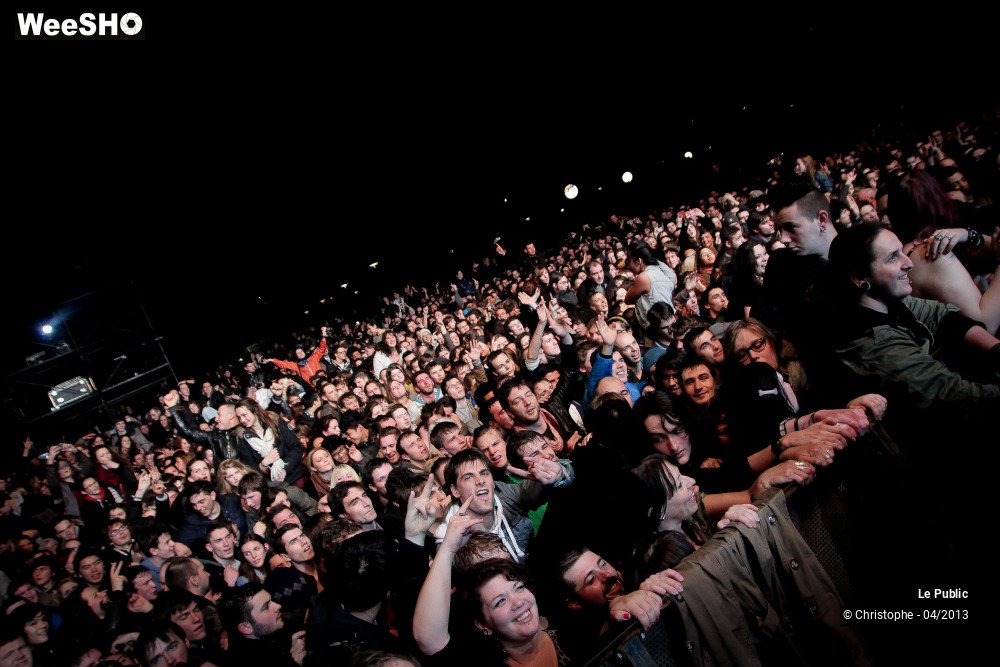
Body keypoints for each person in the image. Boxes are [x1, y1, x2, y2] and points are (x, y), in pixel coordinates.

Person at [414, 512, 570, 665]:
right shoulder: (481, 655)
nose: (518, 602)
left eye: (519, 587)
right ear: (483, 624)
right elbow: (430, 641)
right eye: (500, 601)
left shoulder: (564, 619)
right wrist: (445, 549)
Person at [625, 241, 677, 330]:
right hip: (671, 319)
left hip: (659, 327)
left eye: (629, 260)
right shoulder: (660, 269)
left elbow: (627, 299)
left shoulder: (644, 277)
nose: (629, 265)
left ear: (638, 261)